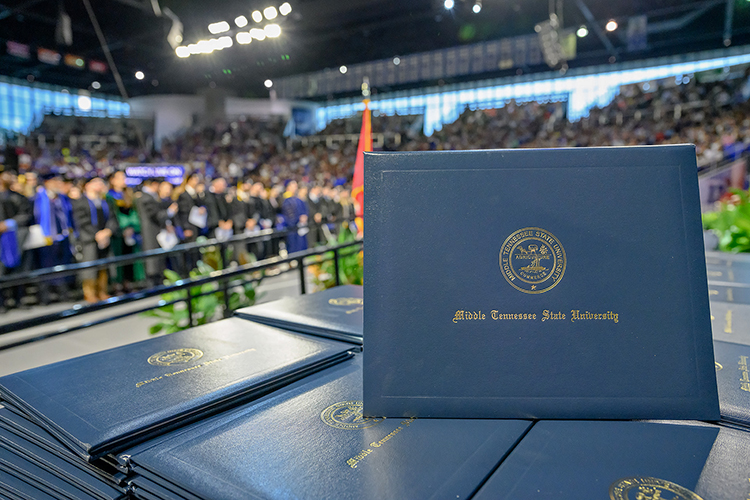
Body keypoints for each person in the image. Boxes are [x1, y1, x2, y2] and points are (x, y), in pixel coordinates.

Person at [73, 177, 119, 303]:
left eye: (100, 182)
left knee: (103, 266)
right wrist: (97, 235)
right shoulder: (80, 202)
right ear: (87, 185)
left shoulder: (105, 202)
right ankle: (90, 293)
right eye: (96, 182)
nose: (99, 185)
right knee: (89, 267)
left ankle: (103, 291)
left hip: (104, 238)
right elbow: (82, 222)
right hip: (89, 240)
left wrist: (107, 232)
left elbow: (112, 218)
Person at [33, 172, 74, 304]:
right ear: (47, 183)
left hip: (63, 236)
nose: (58, 184)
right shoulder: (38, 198)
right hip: (46, 238)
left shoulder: (62, 198)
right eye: (55, 181)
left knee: (63, 265)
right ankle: (45, 296)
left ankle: (63, 294)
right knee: (45, 267)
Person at [106, 171, 145, 292]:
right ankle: (118, 283)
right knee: (118, 259)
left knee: (131, 258)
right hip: (117, 233)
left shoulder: (128, 194)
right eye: (120, 177)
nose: (123, 180)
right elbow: (112, 215)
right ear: (112, 180)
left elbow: (134, 212)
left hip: (131, 231)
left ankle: (130, 282)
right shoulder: (109, 196)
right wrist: (122, 228)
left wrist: (132, 226)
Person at [136, 178, 178, 286]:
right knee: (153, 262)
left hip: (154, 232)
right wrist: (169, 212)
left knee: (156, 261)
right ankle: (153, 287)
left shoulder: (148, 197)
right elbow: (156, 216)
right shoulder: (146, 198)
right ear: (154, 185)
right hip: (150, 233)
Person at [0, 172, 32, 310]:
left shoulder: (18, 197)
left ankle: (18, 299)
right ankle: (2, 302)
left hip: (15, 236)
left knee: (18, 269)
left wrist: (8, 223)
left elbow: (26, 214)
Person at [281, 180, 308, 254]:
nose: (295, 188)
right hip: (291, 228)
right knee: (293, 248)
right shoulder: (285, 199)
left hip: (299, 227)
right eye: (294, 186)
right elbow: (288, 215)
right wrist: (297, 219)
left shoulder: (297, 199)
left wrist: (304, 216)